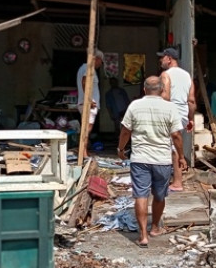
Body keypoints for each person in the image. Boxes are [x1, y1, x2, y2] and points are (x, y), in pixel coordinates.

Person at [117, 76, 184, 247]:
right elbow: (176, 135)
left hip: (140, 158)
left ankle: (143, 236)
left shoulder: (135, 106)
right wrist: (182, 157)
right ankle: (154, 227)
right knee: (159, 195)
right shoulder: (170, 108)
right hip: (162, 159)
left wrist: (121, 149)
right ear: (162, 90)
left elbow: (126, 131)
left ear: (144, 90)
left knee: (141, 195)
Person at [157, 47, 196, 192]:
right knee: (175, 146)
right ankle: (174, 180)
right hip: (183, 115)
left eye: (162, 57)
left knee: (169, 148)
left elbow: (165, 96)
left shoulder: (165, 75)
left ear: (169, 59)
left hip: (169, 113)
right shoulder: (188, 76)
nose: (161, 60)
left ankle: (176, 182)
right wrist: (190, 119)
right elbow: (191, 101)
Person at [76, 49, 104, 156]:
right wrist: (88, 100)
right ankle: (83, 152)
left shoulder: (84, 68)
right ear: (96, 59)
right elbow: (84, 81)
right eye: (101, 61)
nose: (100, 64)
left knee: (87, 128)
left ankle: (83, 150)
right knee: (87, 129)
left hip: (87, 103)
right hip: (88, 104)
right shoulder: (89, 68)